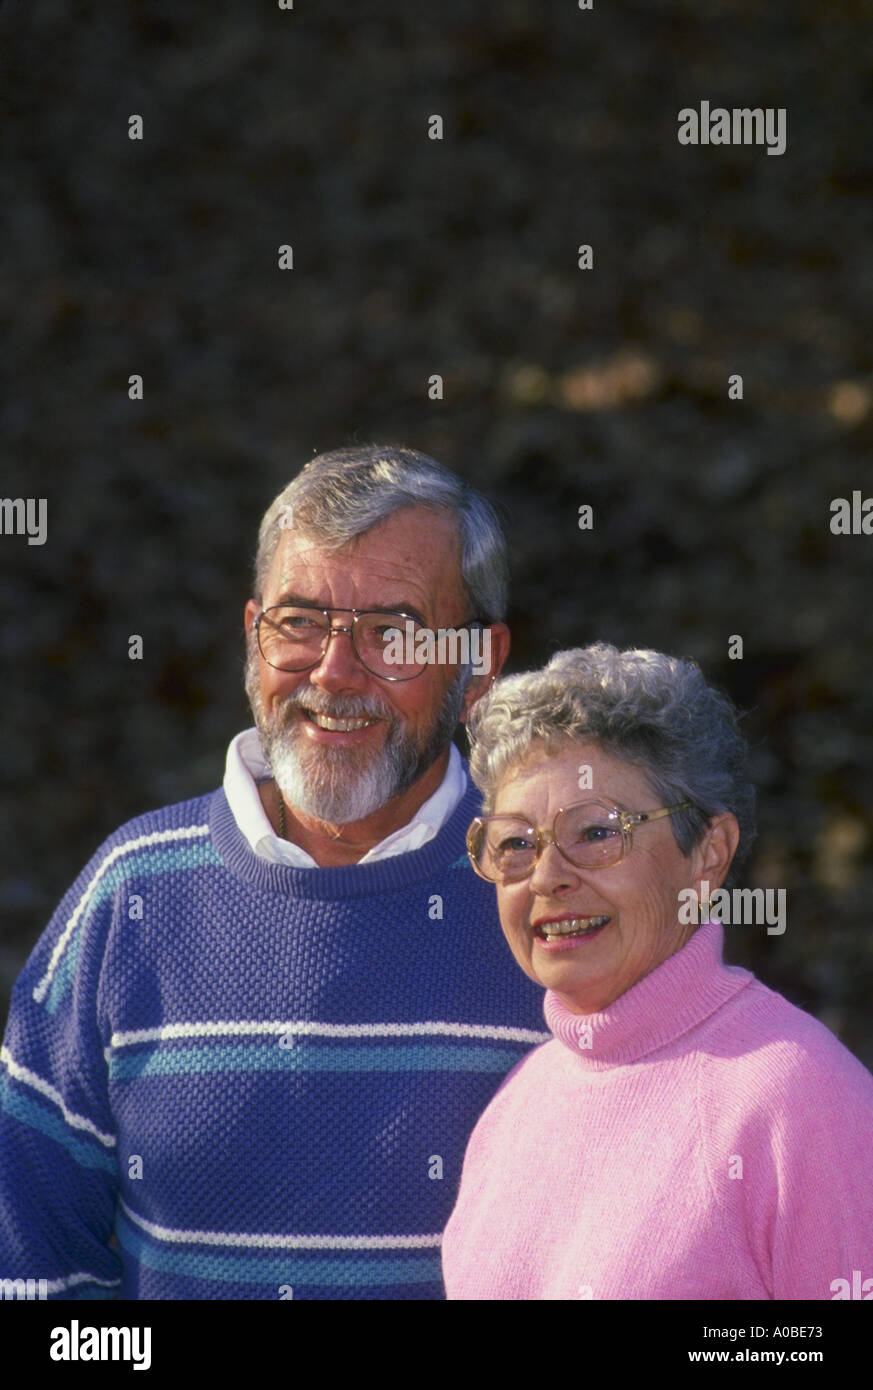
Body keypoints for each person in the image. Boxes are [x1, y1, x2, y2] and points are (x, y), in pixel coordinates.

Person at [0, 444, 548, 1301]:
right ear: (253, 637)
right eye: (301, 623)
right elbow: (27, 1249)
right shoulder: (131, 893)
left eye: (390, 633)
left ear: (478, 665)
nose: (334, 673)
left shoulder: (556, 903)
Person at [442, 643, 873, 1300]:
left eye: (594, 832)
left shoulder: (799, 1098)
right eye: (516, 843)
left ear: (706, 854)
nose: (548, 877)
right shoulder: (515, 1105)